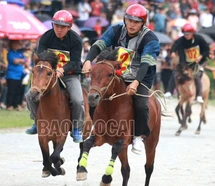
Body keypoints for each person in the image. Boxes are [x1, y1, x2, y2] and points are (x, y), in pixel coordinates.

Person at [82, 4, 160, 154]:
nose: (131, 24)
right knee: (95, 93)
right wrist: (87, 60)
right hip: (118, 74)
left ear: (143, 23)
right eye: (129, 20)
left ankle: (137, 135)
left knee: (142, 105)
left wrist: (136, 83)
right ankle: (95, 126)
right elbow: (99, 44)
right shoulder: (116, 29)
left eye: (136, 22)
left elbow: (145, 64)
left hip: (141, 76)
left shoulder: (150, 38)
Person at [25, 10, 85, 143]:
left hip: (69, 75)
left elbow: (75, 62)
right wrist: (50, 71)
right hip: (48, 74)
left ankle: (76, 128)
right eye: (56, 25)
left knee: (77, 100)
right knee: (29, 95)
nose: (59, 29)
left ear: (69, 27)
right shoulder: (46, 37)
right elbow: (41, 58)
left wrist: (61, 70)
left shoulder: (76, 40)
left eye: (62, 27)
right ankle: (37, 121)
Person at [164, 23, 210, 103]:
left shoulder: (199, 39)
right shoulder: (181, 40)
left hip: (198, 62)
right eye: (184, 34)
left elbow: (206, 49)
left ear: (192, 33)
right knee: (175, 73)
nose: (186, 36)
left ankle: (198, 96)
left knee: (197, 75)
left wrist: (201, 56)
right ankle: (169, 92)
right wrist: (173, 52)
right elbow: (175, 45)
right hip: (185, 63)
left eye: (188, 34)